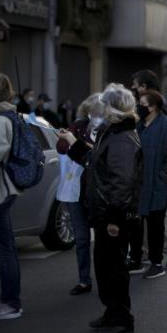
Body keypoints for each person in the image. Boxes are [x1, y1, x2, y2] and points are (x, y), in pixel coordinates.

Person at [61, 84, 142, 333]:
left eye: (105, 104)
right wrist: (75, 144)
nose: (101, 109)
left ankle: (121, 317)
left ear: (113, 108)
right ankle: (112, 312)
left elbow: (122, 181)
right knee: (104, 265)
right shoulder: (113, 133)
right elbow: (95, 163)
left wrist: (115, 218)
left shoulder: (122, 138)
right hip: (105, 211)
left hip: (113, 214)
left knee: (114, 267)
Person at [56, 93, 104, 295]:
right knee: (82, 238)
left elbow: (101, 154)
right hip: (77, 188)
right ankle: (84, 279)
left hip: (98, 190)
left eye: (100, 111)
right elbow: (62, 148)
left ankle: (106, 278)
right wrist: (68, 138)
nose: (97, 115)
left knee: (103, 238)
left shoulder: (109, 129)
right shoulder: (78, 126)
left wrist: (82, 145)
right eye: (94, 111)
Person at [131, 90, 167, 278]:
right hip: (138, 184)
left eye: (143, 104)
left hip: (155, 184)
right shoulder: (139, 125)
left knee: (155, 226)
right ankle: (135, 259)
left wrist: (162, 178)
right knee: (135, 224)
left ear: (153, 107)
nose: (139, 107)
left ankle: (156, 262)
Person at [0, 73, 22, 320]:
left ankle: (11, 302)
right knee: (5, 248)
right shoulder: (8, 117)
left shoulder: (0, 121)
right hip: (3, 192)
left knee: (4, 250)